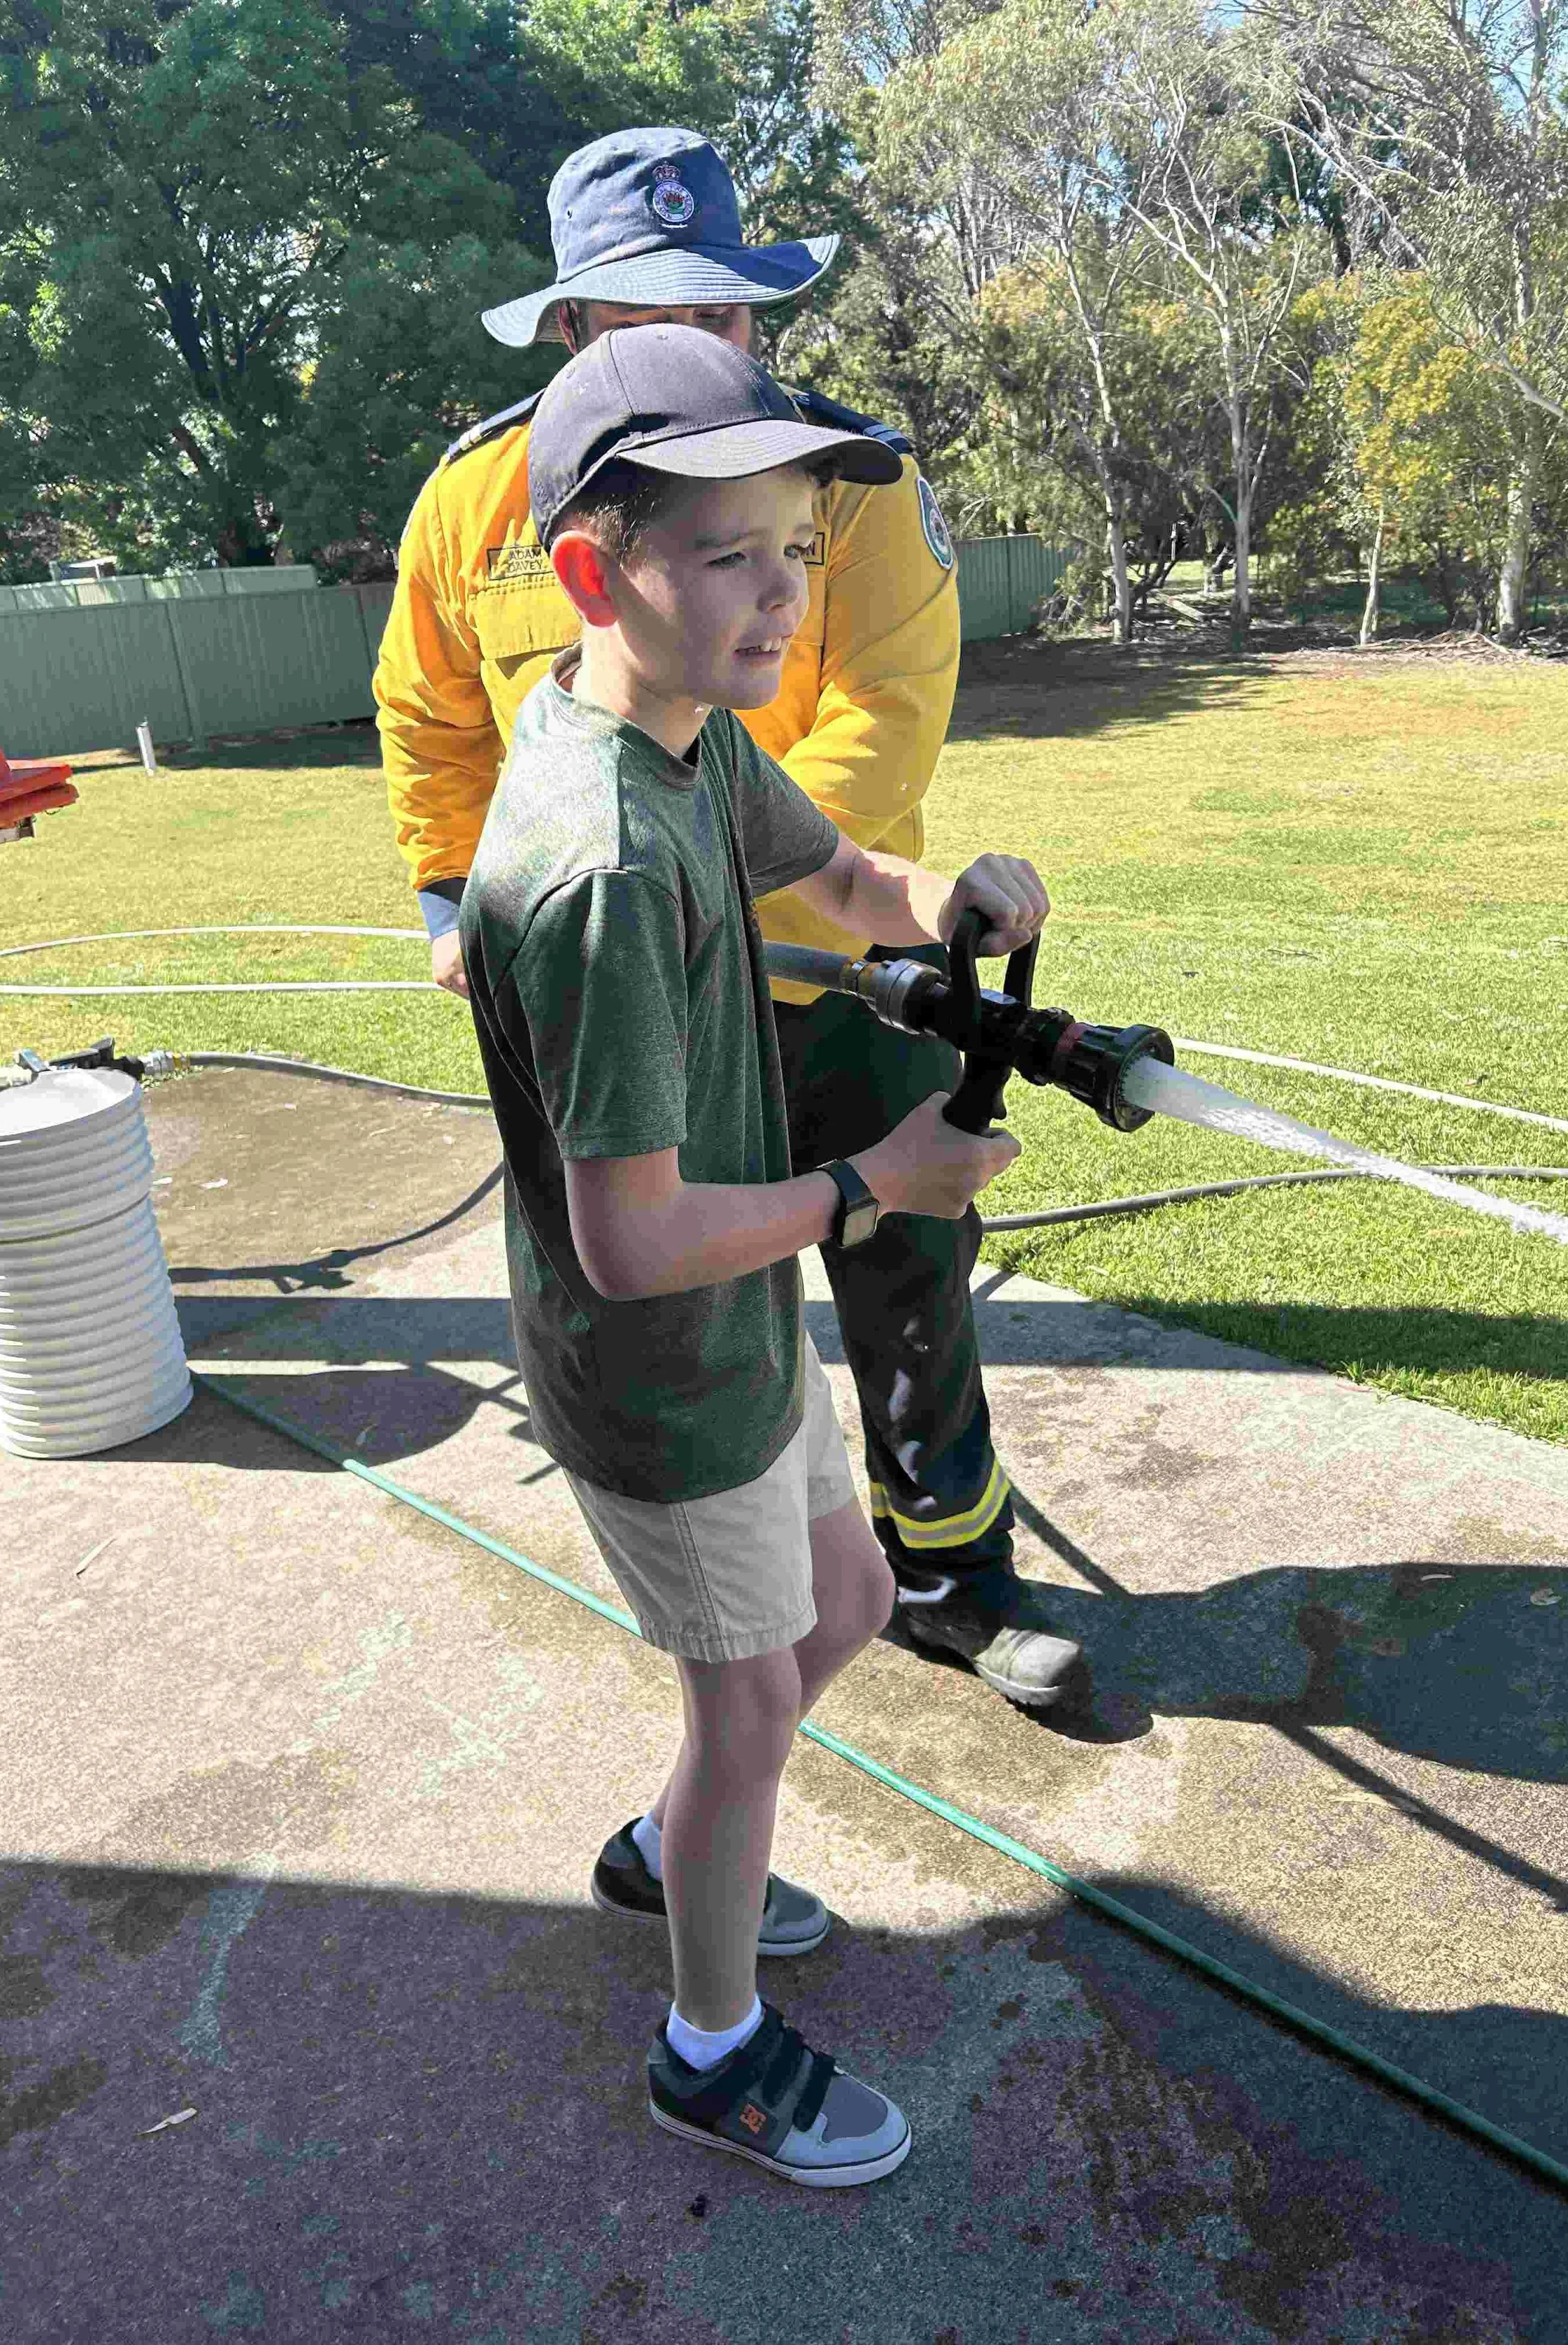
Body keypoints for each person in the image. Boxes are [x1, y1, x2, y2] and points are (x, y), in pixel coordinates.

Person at [374, 125, 1085, 1709]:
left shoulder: (849, 476)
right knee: (683, 1303)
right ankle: (741, 1597)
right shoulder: (472, 499)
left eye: (729, 315)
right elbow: (433, 720)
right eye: (650, 319)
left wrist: (794, 892)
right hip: (632, 981)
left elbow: (884, 712)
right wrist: (451, 894)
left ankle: (953, 1578)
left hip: (837, 978)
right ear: (572, 330)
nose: (704, 347)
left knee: (906, 1259)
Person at [456, 322, 1050, 2180]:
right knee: (745, 1705)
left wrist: (947, 899)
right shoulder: (605, 855)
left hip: (735, 1318)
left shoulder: (693, 744)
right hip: (658, 1354)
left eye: (798, 549)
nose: (781, 595)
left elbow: (849, 880)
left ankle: (667, 1851)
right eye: (729, 555)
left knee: (851, 1605)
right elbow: (629, 1241)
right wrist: (874, 1185)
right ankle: (707, 2045)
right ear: (592, 573)